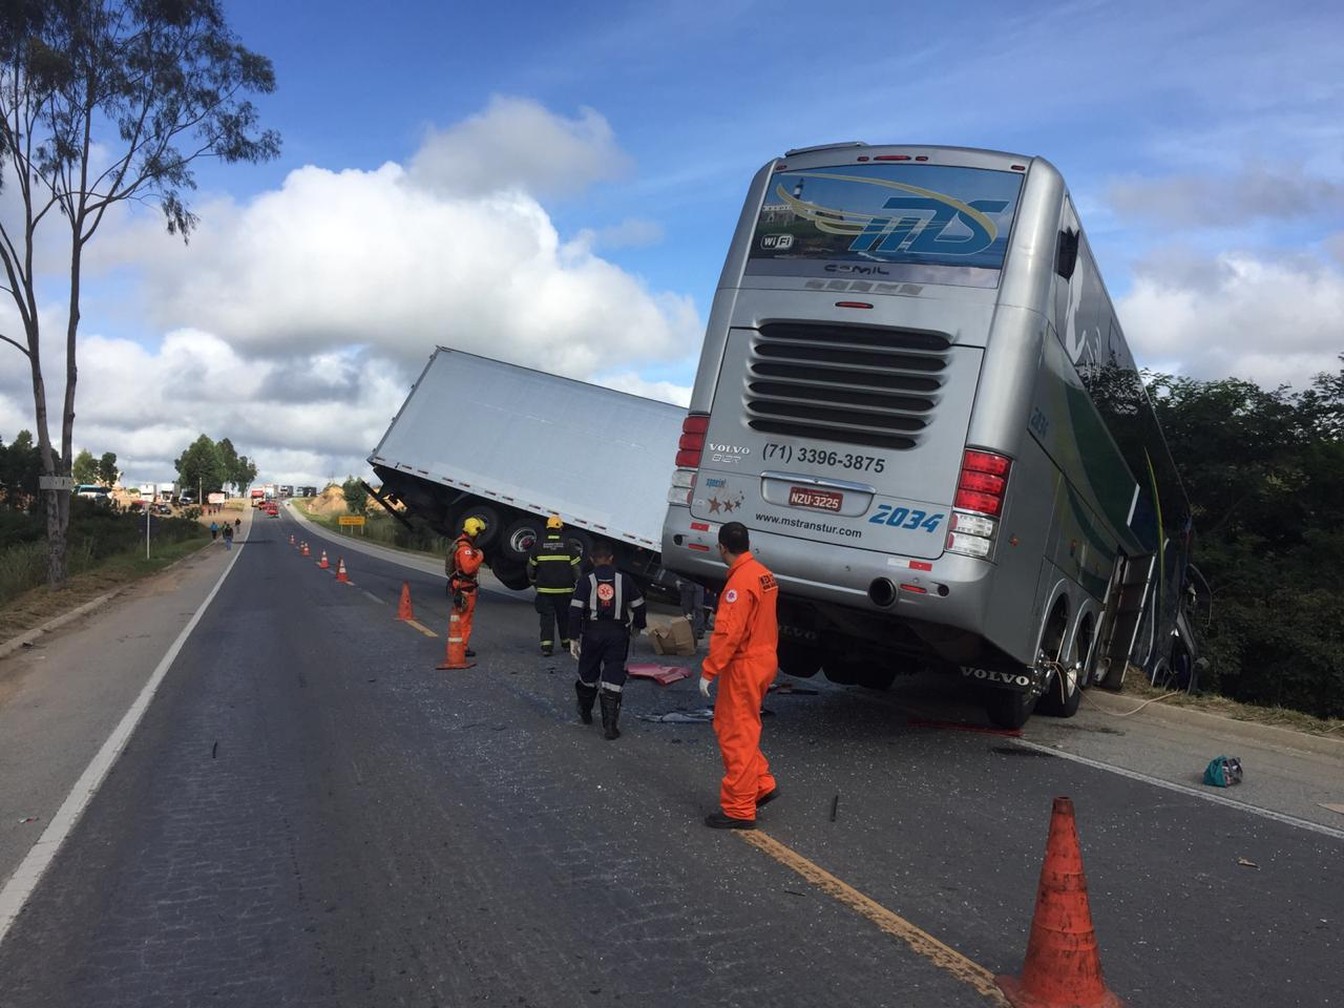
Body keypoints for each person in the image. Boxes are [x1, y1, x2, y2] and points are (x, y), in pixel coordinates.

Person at [699, 521, 779, 830]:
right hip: (763, 659)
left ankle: (739, 808)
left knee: (736, 733)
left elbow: (728, 633)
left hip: (744, 665)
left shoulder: (738, 584)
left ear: (721, 547)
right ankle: (760, 783)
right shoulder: (763, 574)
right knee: (743, 725)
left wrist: (709, 670)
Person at [568, 539, 646, 740]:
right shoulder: (625, 579)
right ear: (611, 559)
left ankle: (585, 712)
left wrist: (573, 637)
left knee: (587, 673)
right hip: (617, 634)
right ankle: (610, 726)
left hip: (593, 633)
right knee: (613, 673)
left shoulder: (586, 580)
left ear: (592, 559)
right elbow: (639, 605)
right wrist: (638, 625)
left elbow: (575, 610)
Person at [527, 514, 581, 656]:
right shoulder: (568, 544)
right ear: (560, 528)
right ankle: (565, 643)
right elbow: (576, 568)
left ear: (547, 528)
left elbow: (530, 568)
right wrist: (578, 583)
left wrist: (532, 580)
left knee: (546, 618)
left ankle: (546, 647)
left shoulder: (539, 545)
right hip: (564, 590)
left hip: (545, 590)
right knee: (564, 617)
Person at [449, 517, 486, 658]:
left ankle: (458, 643)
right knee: (465, 618)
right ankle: (462, 646)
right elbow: (468, 568)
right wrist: (479, 557)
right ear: (474, 532)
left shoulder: (462, 543)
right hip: (465, 588)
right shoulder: (465, 548)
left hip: (461, 586)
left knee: (461, 617)